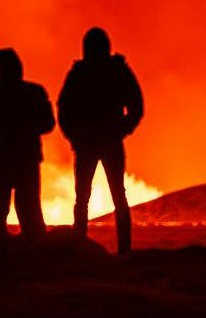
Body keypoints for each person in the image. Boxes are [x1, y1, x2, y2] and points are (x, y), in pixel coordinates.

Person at [57, 26, 144, 254]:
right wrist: (122, 129)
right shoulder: (115, 71)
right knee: (113, 197)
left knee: (86, 198)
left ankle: (81, 248)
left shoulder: (82, 73)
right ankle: (120, 251)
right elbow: (136, 104)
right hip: (103, 140)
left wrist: (75, 136)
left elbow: (64, 109)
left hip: (95, 141)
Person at [0, 47, 52, 248]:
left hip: (1, 157)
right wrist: (28, 127)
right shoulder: (35, 92)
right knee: (29, 208)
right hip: (27, 156)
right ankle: (36, 252)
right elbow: (48, 123)